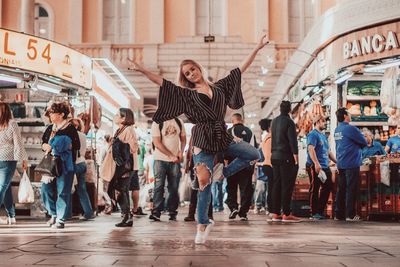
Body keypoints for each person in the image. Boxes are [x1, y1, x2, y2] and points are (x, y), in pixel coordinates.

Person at [129, 34, 266, 244]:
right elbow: (162, 82)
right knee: (203, 184)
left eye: (192, 69)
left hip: (222, 134)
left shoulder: (220, 88)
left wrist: (256, 47)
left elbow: (240, 70)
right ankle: (202, 224)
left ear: (198, 68)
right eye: (186, 73)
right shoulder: (187, 93)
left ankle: (222, 173)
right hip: (202, 138)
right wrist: (141, 69)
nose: (191, 74)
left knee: (254, 154)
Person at [41, 102, 80, 229]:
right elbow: (43, 143)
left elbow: (76, 146)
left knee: (63, 191)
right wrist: (45, 146)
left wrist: (60, 146)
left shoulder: (70, 129)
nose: (50, 115)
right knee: (46, 189)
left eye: (53, 113)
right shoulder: (49, 128)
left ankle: (61, 218)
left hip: (65, 164)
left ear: (61, 114)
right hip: (50, 163)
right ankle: (53, 213)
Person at [100, 108, 139, 227]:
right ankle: (126, 215)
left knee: (121, 189)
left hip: (127, 166)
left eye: (118, 114)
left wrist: (118, 144)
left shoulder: (128, 129)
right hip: (121, 165)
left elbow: (133, 148)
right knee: (122, 189)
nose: (115, 116)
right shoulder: (119, 130)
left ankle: (126, 215)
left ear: (124, 118)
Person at [149, 117, 186, 221]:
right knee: (159, 186)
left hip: (175, 161)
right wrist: (170, 155)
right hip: (159, 160)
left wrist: (181, 152)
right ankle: (156, 212)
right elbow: (157, 142)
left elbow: (183, 139)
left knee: (174, 187)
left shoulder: (179, 121)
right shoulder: (157, 122)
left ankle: (172, 211)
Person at [334, 108, 367, 222]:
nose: (350, 115)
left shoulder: (337, 130)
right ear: (344, 116)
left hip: (341, 163)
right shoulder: (350, 128)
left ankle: (339, 214)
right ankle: (350, 215)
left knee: (341, 189)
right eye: (349, 113)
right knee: (351, 189)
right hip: (351, 163)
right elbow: (364, 142)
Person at [270, 100, 300, 223]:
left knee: (276, 185)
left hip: (274, 157)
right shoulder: (289, 122)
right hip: (285, 157)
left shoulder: (274, 121)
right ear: (289, 110)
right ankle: (286, 214)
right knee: (286, 185)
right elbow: (293, 142)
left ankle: (276, 213)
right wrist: (296, 159)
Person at [0, 102, 27, 225]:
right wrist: (23, 160)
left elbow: (18, 144)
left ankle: (11, 215)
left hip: (6, 160)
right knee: (4, 187)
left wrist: (22, 159)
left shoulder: (11, 124)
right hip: (8, 160)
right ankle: (11, 215)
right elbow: (18, 144)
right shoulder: (12, 124)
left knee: (3, 187)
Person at [226, 113, 256, 221]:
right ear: (241, 120)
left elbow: (225, 149)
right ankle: (243, 212)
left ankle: (233, 208)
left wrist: (225, 164)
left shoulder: (228, 132)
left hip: (232, 164)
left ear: (232, 120)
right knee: (246, 188)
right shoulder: (250, 132)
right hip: (246, 165)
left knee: (231, 187)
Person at [306, 115, 336, 220]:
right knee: (315, 189)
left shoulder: (323, 136)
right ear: (317, 122)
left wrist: (337, 162)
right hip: (315, 166)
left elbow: (328, 151)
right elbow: (311, 149)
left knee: (328, 186)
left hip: (325, 166)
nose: (325, 123)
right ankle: (313, 213)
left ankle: (319, 211)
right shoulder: (313, 135)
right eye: (324, 121)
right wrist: (316, 163)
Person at [70, 118, 94, 220]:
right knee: (82, 189)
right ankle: (88, 213)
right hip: (82, 163)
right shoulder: (83, 135)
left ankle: (67, 214)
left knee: (69, 189)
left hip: (74, 163)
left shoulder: (71, 135)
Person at [259, 118, 273, 215]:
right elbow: (269, 155)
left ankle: (270, 208)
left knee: (270, 189)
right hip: (270, 165)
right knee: (270, 189)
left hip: (266, 165)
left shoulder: (266, 137)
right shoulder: (270, 138)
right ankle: (271, 209)